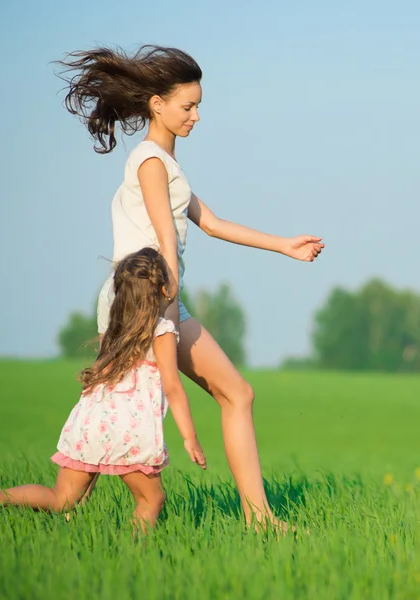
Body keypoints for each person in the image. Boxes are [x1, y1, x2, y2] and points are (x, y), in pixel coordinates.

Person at [58, 45, 324, 528]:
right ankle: (44, 502)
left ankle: (257, 517)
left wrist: (284, 245)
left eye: (199, 105)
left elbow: (213, 223)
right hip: (145, 300)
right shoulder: (152, 163)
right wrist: (167, 304)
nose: (197, 116)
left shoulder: (164, 162)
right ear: (157, 104)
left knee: (236, 394)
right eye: (189, 106)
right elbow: (164, 239)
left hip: (161, 299)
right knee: (121, 414)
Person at [0, 248, 206, 533]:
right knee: (152, 499)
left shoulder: (116, 329)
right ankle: (135, 557)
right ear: (163, 290)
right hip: (129, 432)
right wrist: (190, 438)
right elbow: (173, 387)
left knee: (62, 499)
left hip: (89, 424)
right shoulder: (161, 331)